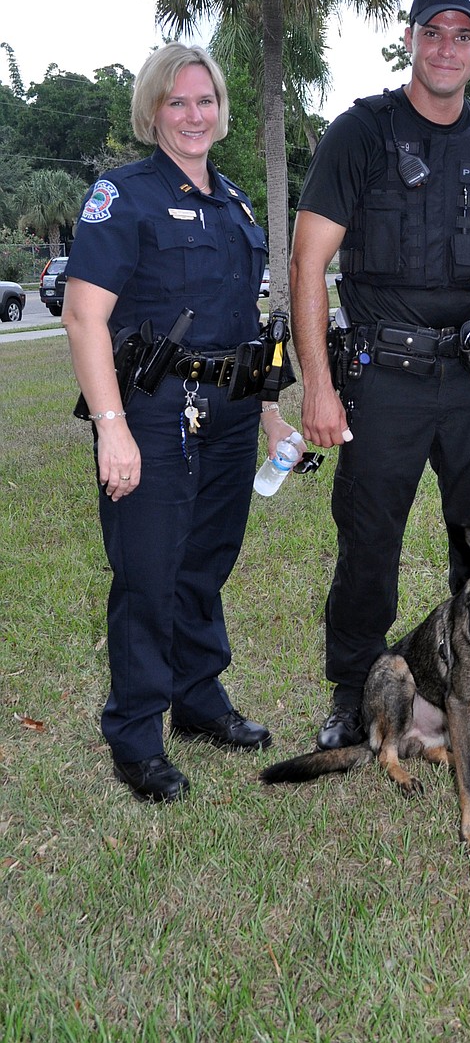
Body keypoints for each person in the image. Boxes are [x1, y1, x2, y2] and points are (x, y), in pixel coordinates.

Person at [290, 0, 470, 750]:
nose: (446, 46)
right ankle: (353, 691)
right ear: (409, 39)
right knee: (368, 542)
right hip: (385, 380)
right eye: (431, 31)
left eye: (462, 34)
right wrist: (318, 382)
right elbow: (310, 262)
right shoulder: (361, 133)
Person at [63, 43, 303, 803]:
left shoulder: (233, 204)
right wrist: (112, 425)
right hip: (154, 412)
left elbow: (246, 330)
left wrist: (269, 416)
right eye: (177, 102)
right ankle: (135, 735)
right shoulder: (122, 195)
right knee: (148, 575)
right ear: (152, 111)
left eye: (205, 101)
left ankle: (199, 703)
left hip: (230, 413)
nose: (194, 115)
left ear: (221, 109)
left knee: (205, 565)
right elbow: (83, 316)